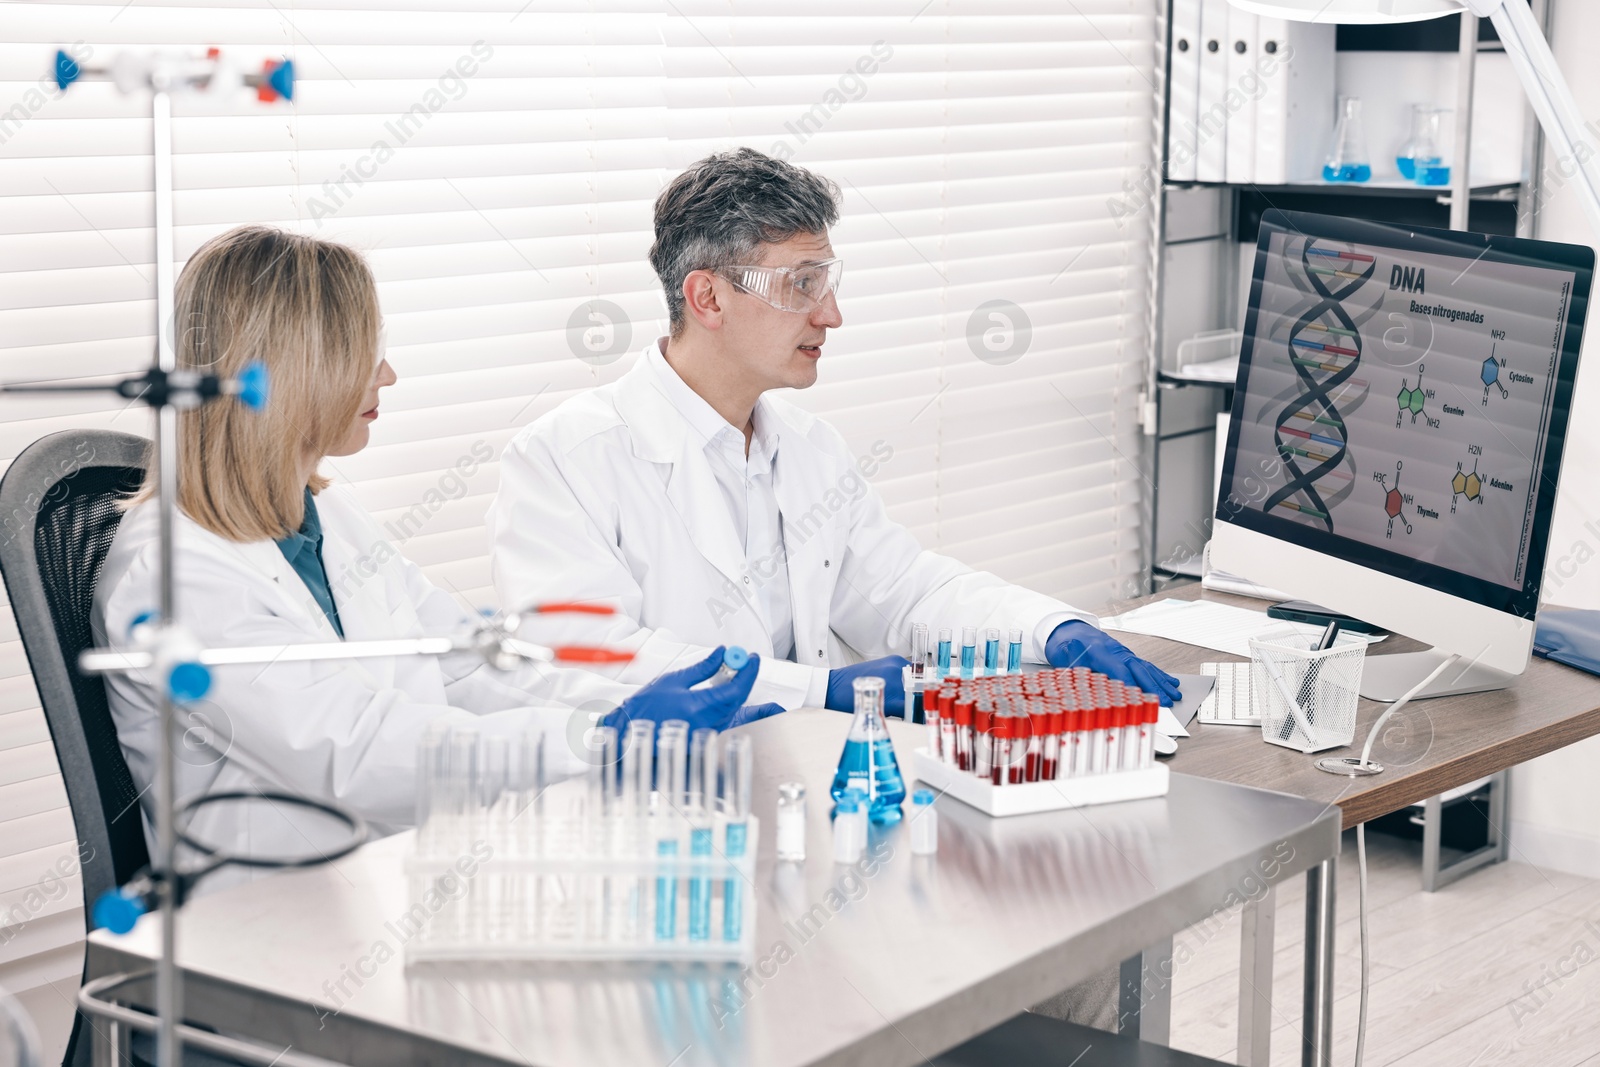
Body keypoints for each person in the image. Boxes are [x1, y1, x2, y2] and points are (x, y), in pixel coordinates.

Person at [92, 225, 771, 888]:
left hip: (383, 882)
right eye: (364, 352)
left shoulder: (326, 518)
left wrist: (636, 708)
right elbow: (356, 751)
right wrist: (603, 740)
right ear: (288, 372)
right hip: (269, 926)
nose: (387, 373)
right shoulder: (175, 577)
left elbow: (462, 666)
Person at [488, 148, 1180, 714]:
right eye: (802, 286)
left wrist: (1050, 628)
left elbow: (905, 592)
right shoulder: (566, 460)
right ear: (707, 297)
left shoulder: (807, 446)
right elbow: (583, 664)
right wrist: (817, 691)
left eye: (829, 283)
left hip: (803, 787)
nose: (832, 315)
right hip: (664, 810)